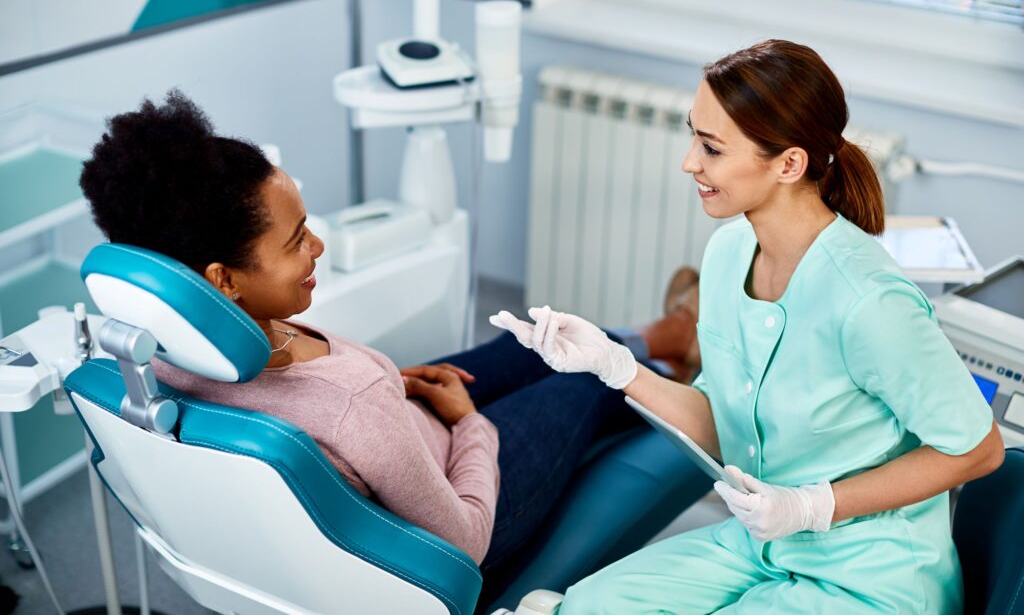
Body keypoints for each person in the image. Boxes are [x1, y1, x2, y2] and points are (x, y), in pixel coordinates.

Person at [76, 90, 701, 607]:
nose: (317, 246)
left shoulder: (156, 358)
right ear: (223, 280)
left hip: (393, 432)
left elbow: (319, 412)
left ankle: (669, 338)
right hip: (465, 503)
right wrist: (469, 424)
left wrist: (383, 388)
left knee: (542, 336)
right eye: (295, 240)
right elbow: (465, 542)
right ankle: (704, 380)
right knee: (585, 374)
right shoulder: (355, 404)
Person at [492, 39, 1004, 614]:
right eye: (693, 136)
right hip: (764, 545)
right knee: (581, 606)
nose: (690, 162)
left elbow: (979, 451)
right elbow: (722, 425)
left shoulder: (869, 301)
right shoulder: (729, 253)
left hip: (870, 574)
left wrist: (814, 506)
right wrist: (616, 367)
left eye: (711, 147)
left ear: (789, 163)